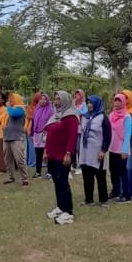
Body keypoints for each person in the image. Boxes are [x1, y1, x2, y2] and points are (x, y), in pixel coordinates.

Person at [45, 91, 80, 225]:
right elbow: (49, 133)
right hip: (53, 154)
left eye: (59, 99)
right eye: (55, 99)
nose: (56, 101)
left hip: (62, 155)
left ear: (65, 100)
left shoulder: (71, 116)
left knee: (62, 182)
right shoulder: (57, 115)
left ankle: (68, 211)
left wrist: (68, 154)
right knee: (56, 181)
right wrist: (46, 151)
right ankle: (60, 207)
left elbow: (72, 137)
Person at [79, 95, 112, 206]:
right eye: (88, 103)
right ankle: (89, 199)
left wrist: (103, 150)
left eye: (91, 103)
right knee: (86, 175)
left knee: (100, 175)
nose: (89, 105)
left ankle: (103, 199)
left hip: (97, 151)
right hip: (85, 151)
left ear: (97, 104)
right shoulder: (84, 117)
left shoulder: (103, 118)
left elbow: (108, 135)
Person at [108, 93, 132, 203]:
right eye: (115, 101)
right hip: (112, 148)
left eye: (119, 101)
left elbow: (127, 135)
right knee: (113, 171)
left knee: (122, 172)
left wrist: (125, 150)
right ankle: (116, 191)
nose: (117, 103)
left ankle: (126, 195)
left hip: (122, 149)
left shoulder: (127, 117)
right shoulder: (111, 115)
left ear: (123, 102)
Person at [3, 92, 29, 187]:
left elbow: (14, 114)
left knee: (19, 159)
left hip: (17, 138)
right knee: (7, 159)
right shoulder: (10, 109)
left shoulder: (21, 108)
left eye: (12, 98)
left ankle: (25, 179)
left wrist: (8, 106)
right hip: (7, 137)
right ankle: (10, 177)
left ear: (17, 99)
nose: (10, 100)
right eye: (9, 98)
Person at [32, 92, 53, 177]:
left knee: (47, 154)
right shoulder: (37, 109)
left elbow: (52, 123)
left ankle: (49, 172)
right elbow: (34, 122)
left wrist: (47, 131)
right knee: (38, 154)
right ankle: (38, 172)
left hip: (46, 134)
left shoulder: (51, 111)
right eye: (41, 99)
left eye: (45, 99)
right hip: (37, 134)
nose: (43, 101)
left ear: (47, 100)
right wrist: (32, 132)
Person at [25, 92, 40, 169]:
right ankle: (32, 162)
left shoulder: (32, 107)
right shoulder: (33, 107)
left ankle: (31, 161)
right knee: (31, 147)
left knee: (32, 146)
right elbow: (30, 117)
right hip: (31, 129)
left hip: (33, 129)